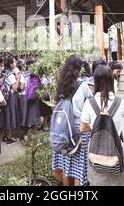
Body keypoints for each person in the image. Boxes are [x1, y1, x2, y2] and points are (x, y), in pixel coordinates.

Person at [80, 65, 124, 186]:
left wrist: (97, 127)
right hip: (115, 150)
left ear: (95, 81)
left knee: (97, 181)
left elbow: (82, 128)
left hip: (95, 150)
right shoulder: (121, 102)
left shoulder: (89, 103)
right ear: (112, 80)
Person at [52, 55, 93, 187]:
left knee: (65, 163)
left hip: (63, 128)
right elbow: (92, 103)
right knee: (79, 167)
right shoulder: (83, 85)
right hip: (79, 129)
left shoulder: (61, 84)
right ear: (79, 68)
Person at [18, 59, 40, 142]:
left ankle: (26, 135)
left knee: (25, 116)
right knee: (34, 115)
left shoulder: (24, 74)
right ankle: (34, 135)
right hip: (34, 97)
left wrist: (18, 89)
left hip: (25, 97)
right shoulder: (36, 74)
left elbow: (22, 87)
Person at [1, 55, 20, 144]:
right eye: (14, 62)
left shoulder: (3, 71)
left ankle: (4, 135)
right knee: (10, 115)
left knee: (5, 114)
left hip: (4, 96)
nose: (16, 63)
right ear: (11, 64)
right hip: (10, 96)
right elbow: (15, 88)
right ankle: (9, 136)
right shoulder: (11, 74)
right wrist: (18, 78)